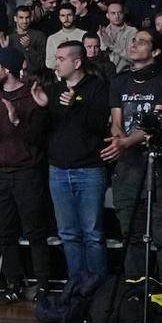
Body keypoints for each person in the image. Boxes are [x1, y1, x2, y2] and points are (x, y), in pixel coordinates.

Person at [101, 29, 162, 297]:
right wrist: (118, 139)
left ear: (156, 51)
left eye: (141, 41)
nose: (134, 44)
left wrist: (127, 143)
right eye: (133, 40)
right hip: (127, 169)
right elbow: (116, 118)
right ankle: (135, 297)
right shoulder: (120, 81)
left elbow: (158, 123)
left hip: (157, 166)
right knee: (131, 236)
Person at [0, 46, 52, 302]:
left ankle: (42, 286)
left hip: (27, 172)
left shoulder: (33, 95)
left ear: (7, 68)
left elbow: (39, 139)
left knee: (35, 232)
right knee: (6, 233)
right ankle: (12, 285)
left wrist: (17, 121)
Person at [34, 41, 110, 282]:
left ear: (77, 62)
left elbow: (99, 125)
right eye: (56, 58)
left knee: (93, 234)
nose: (56, 63)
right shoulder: (54, 90)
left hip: (89, 170)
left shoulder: (97, 87)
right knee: (68, 234)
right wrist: (43, 108)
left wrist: (75, 105)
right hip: (58, 170)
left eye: (61, 58)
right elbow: (47, 129)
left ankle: (96, 286)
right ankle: (76, 284)